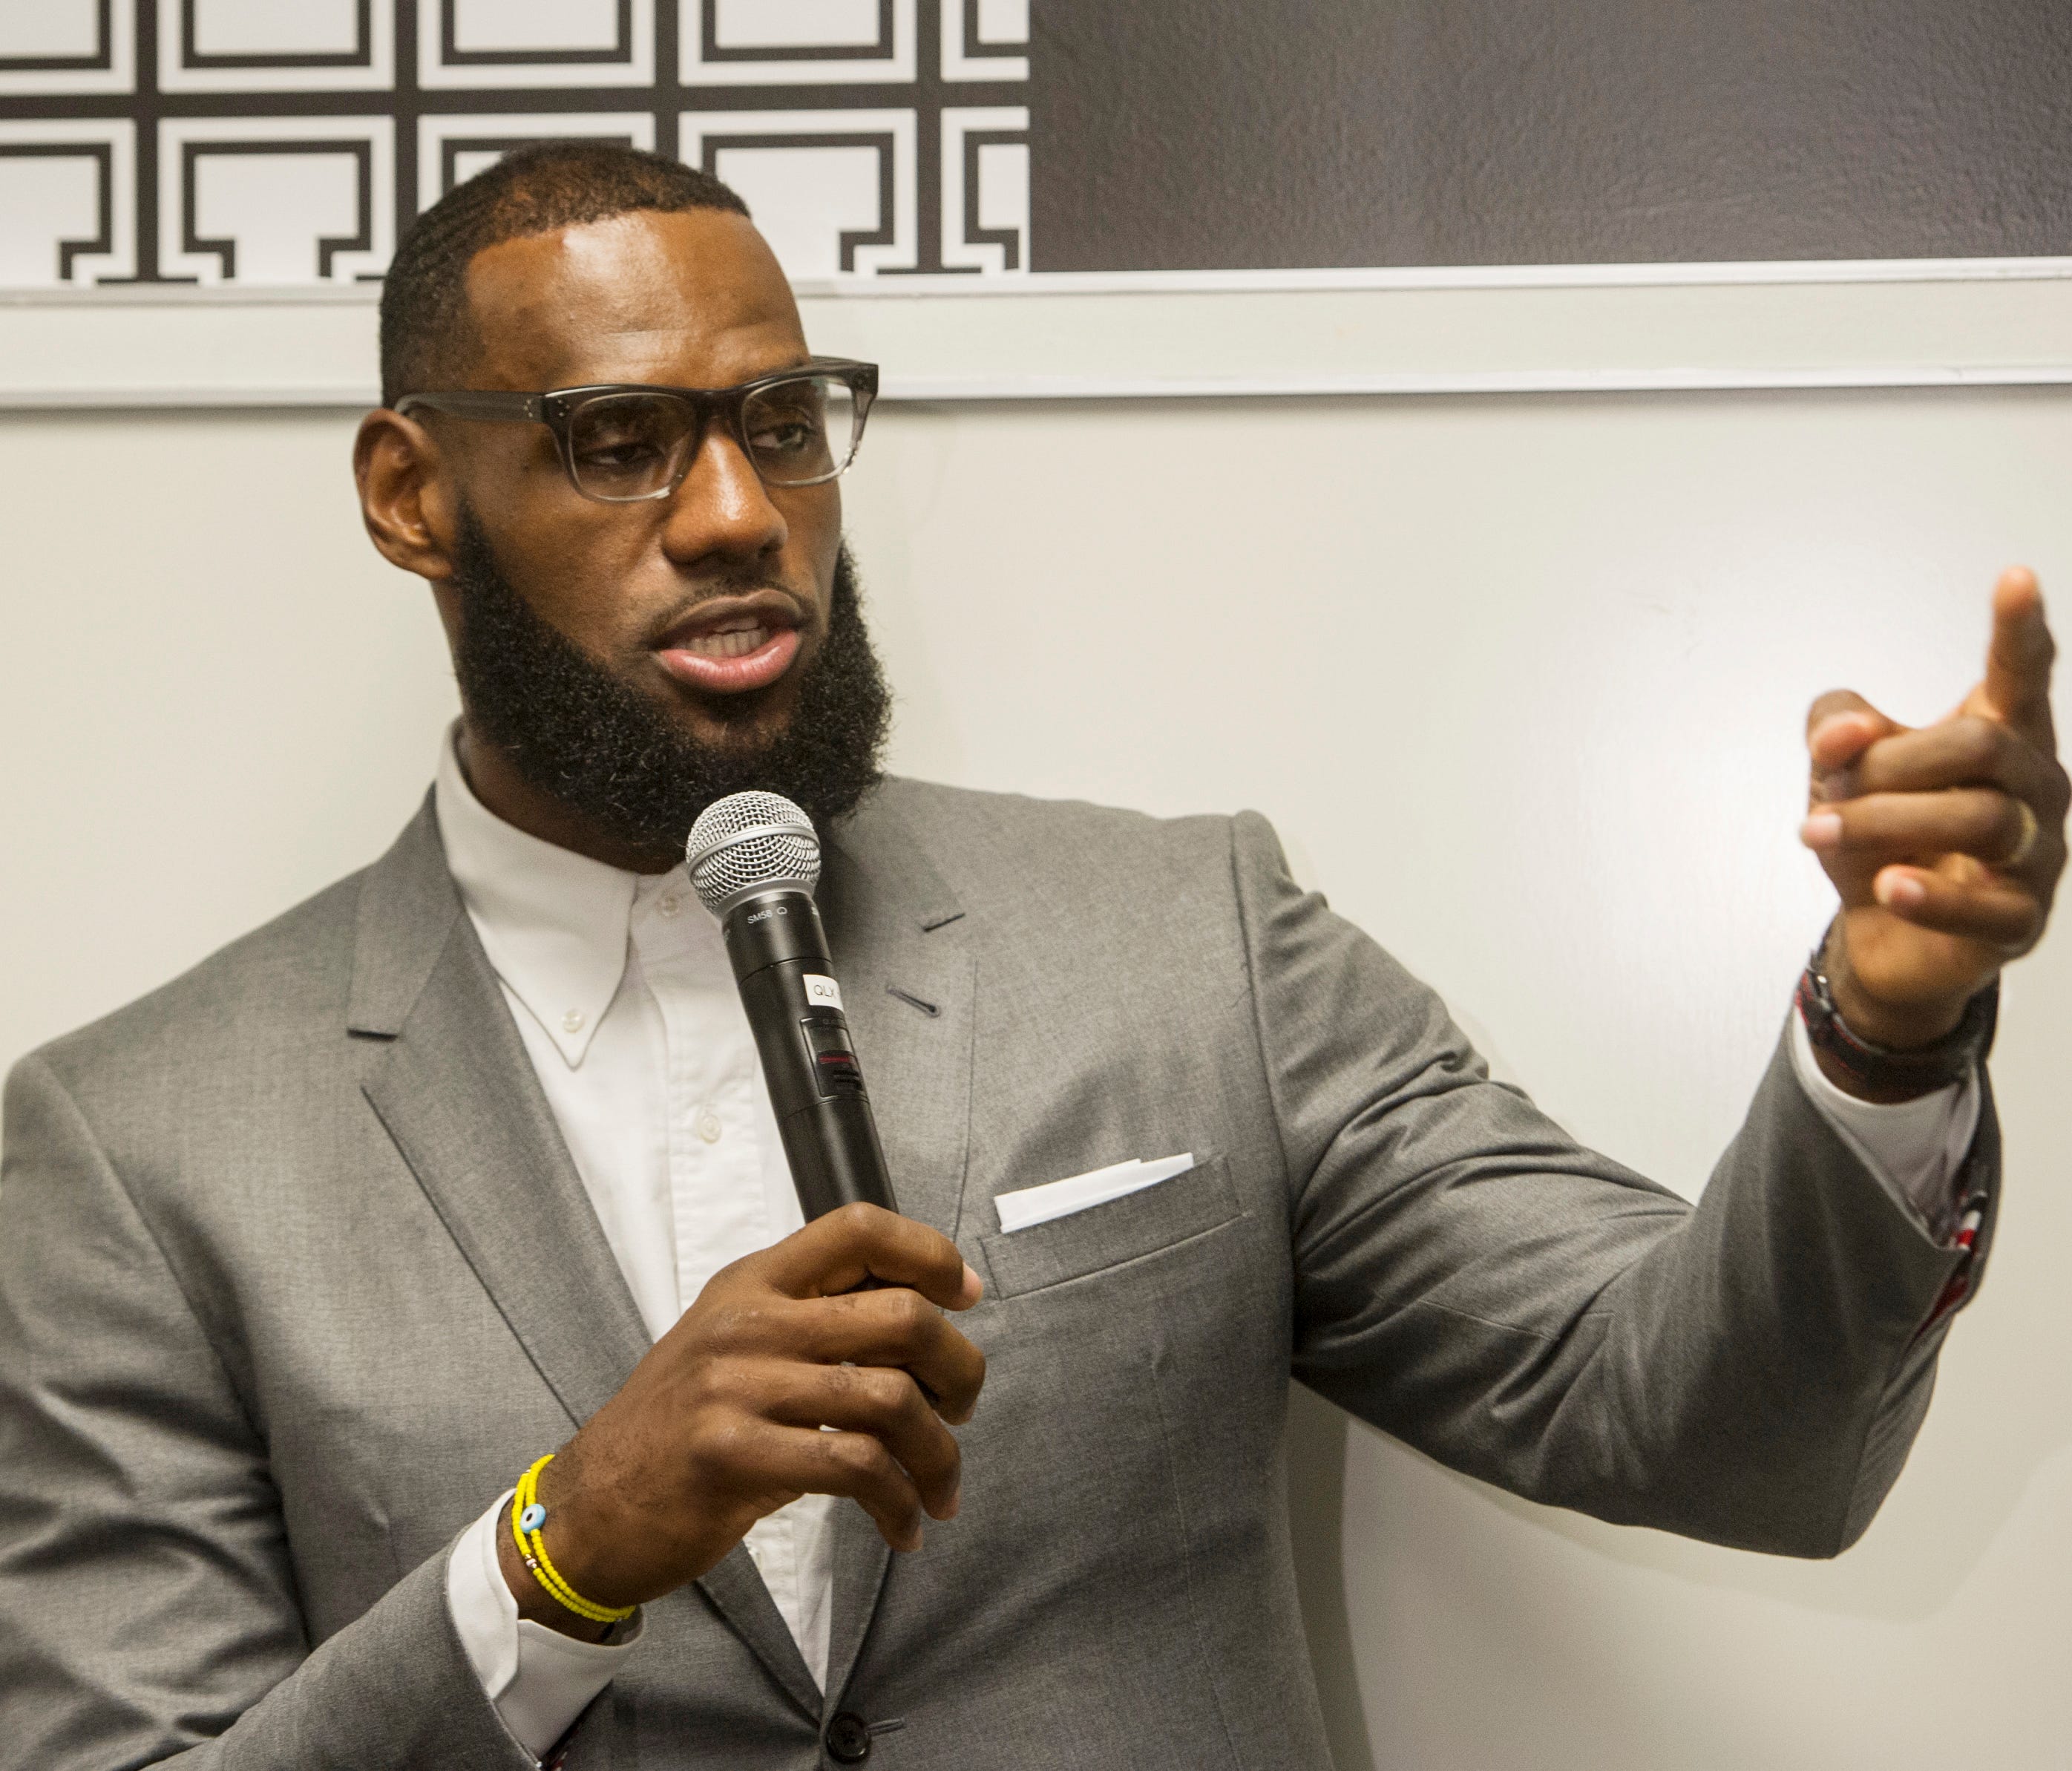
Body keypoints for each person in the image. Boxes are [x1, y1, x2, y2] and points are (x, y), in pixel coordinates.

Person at [0, 143, 2062, 1771]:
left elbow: (1712, 1423)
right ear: (409, 491)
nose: (737, 511)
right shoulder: (131, 1149)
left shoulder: (1195, 935)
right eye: (620, 441)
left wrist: (1884, 1034)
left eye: (784, 422)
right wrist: (559, 1552)